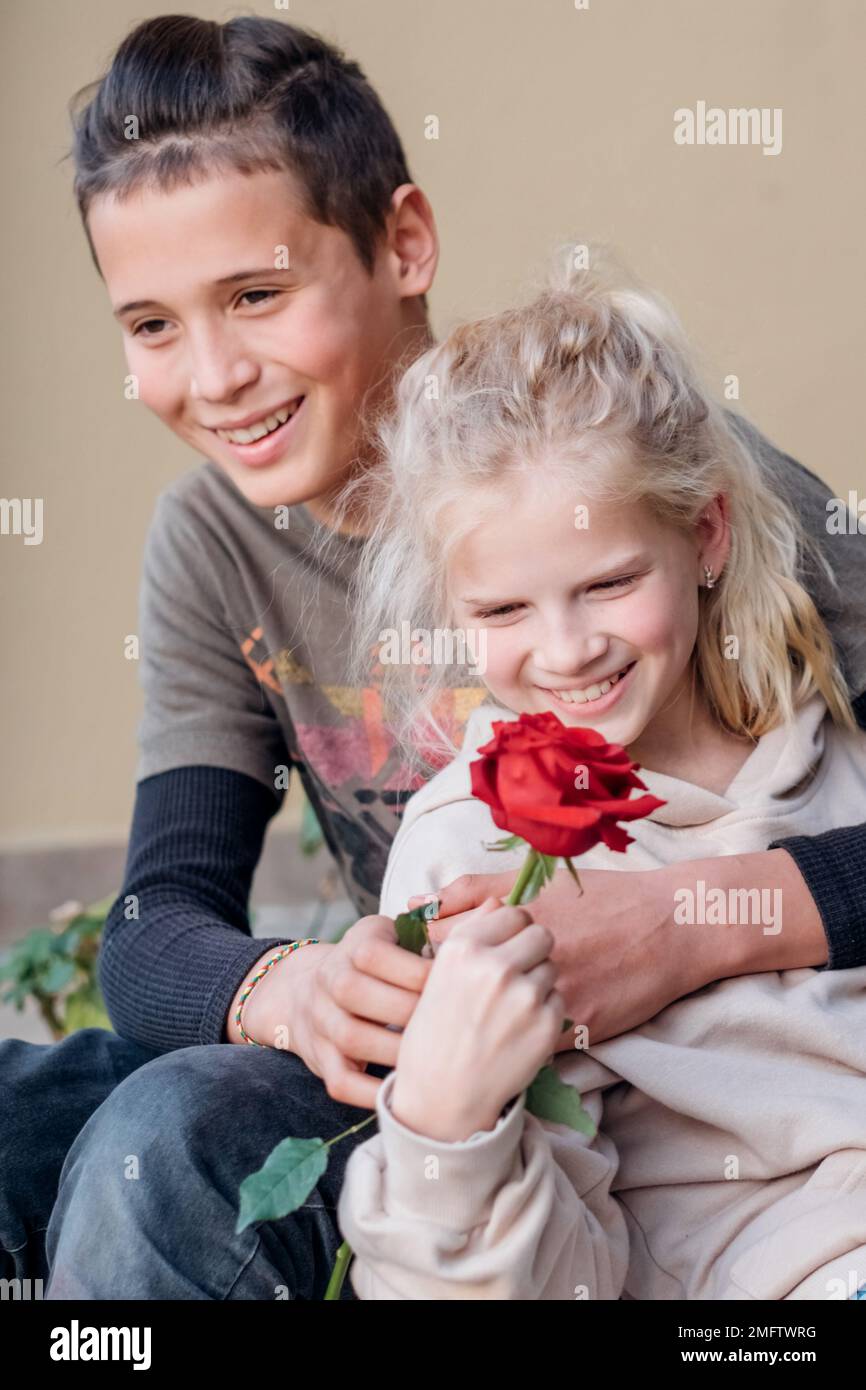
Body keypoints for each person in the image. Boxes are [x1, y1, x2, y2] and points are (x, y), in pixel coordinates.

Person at [1, 13, 862, 1299]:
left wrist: (686, 924)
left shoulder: (612, 460)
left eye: (256, 294)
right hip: (403, 1050)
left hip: (609, 1088)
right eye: (151, 324)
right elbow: (149, 928)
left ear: (402, 243)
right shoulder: (210, 542)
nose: (217, 375)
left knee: (164, 1135)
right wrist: (297, 988)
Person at [333, 254, 866, 1299]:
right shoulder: (473, 856)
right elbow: (551, 1278)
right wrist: (448, 1121)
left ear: (704, 534)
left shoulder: (828, 740)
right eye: (502, 611)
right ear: (451, 609)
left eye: (610, 583)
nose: (566, 650)